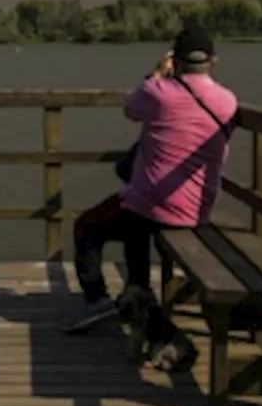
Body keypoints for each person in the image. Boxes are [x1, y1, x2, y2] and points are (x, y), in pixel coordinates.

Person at [59, 24, 238, 365]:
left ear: (177, 59)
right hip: (195, 208)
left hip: (148, 204)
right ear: (213, 60)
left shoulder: (159, 92)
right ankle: (143, 306)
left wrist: (157, 73)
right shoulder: (227, 101)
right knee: (136, 225)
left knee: (88, 226)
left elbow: (131, 108)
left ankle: (101, 300)